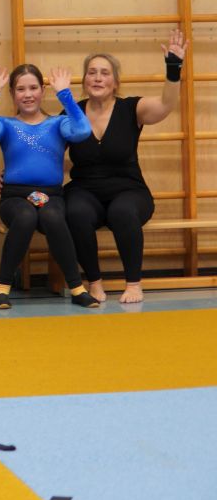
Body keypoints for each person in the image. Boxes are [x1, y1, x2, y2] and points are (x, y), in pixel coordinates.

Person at [66, 31, 186, 304]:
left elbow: (166, 104)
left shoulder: (132, 108)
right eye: (92, 72)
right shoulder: (72, 113)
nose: (98, 78)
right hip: (85, 191)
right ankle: (94, 282)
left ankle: (133, 284)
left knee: (122, 211)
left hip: (129, 190)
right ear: (84, 81)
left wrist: (173, 67)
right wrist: (14, 176)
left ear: (116, 82)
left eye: (104, 73)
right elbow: (45, 151)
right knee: (75, 211)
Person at [0, 64, 98, 310]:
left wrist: (65, 94)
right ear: (12, 93)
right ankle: (2, 288)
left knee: (52, 216)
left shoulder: (58, 124)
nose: (27, 94)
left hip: (51, 196)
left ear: (42, 91)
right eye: (20, 89)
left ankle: (77, 288)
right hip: (15, 198)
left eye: (33, 88)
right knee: (25, 216)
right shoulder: (6, 125)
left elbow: (82, 131)